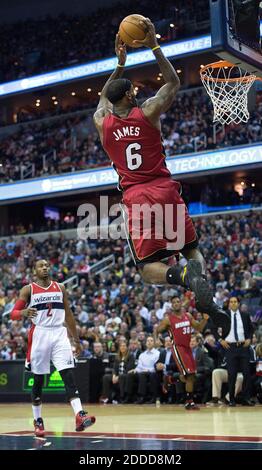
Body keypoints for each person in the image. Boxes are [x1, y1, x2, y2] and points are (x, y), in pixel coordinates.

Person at [93, 18, 230, 336]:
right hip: (165, 188)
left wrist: (119, 66)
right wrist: (154, 44)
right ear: (129, 95)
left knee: (147, 269)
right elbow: (173, 82)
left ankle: (182, 278)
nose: (137, 90)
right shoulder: (149, 112)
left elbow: (103, 99)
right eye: (133, 89)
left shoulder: (102, 122)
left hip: (137, 195)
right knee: (191, 248)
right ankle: (205, 297)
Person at [11, 259, 95, 437]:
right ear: (34, 271)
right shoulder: (28, 290)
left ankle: (79, 415)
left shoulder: (60, 288)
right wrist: (23, 312)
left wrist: (76, 340)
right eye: (41, 266)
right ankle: (38, 420)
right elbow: (13, 314)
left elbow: (69, 314)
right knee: (39, 380)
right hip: (40, 334)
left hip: (59, 333)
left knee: (68, 375)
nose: (45, 268)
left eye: (47, 265)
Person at [157, 296, 209, 409]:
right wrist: (157, 339)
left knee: (191, 376)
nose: (176, 303)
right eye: (173, 302)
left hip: (187, 348)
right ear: (171, 305)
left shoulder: (188, 316)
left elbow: (199, 328)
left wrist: (205, 319)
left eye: (177, 301)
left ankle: (170, 379)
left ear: (181, 303)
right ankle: (189, 402)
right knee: (189, 375)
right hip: (177, 347)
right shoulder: (168, 319)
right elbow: (157, 330)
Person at [219, 297, 254, 406]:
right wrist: (220, 340)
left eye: (235, 302)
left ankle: (245, 398)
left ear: (238, 304)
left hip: (243, 347)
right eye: (231, 302)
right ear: (229, 304)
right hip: (230, 348)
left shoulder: (245, 315)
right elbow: (214, 327)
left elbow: (251, 329)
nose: (233, 303)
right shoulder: (223, 314)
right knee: (232, 374)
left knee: (247, 373)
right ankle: (231, 399)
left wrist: (249, 338)